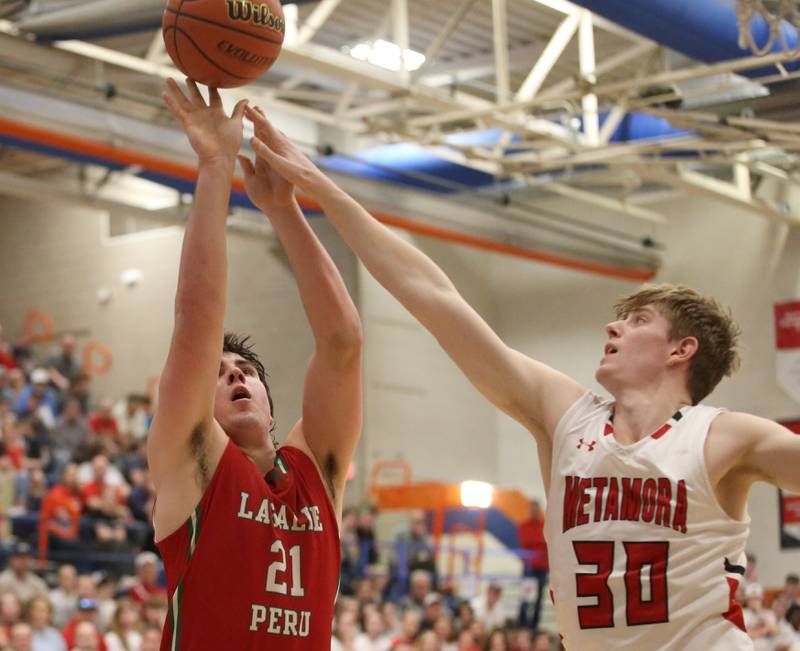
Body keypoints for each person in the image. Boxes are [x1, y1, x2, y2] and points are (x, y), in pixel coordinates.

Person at [247, 108, 800, 651]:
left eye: (637, 321)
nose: (613, 325)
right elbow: (435, 297)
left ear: (682, 349)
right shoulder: (565, 415)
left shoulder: (726, 437)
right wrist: (317, 184)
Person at [149, 79, 363, 649]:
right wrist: (216, 166)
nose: (235, 375)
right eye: (220, 374)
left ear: (269, 404)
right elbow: (196, 321)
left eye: (245, 370)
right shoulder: (193, 460)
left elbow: (342, 342)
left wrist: (283, 208)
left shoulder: (315, 475)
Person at [517, 500, 548, 632]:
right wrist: (540, 542)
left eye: (536, 509)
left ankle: (534, 626)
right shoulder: (524, 526)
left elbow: (547, 543)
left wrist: (537, 543)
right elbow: (526, 542)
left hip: (542, 568)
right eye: (532, 509)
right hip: (529, 567)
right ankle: (522, 624)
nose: (534, 512)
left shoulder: (545, 525)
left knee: (538, 599)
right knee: (526, 596)